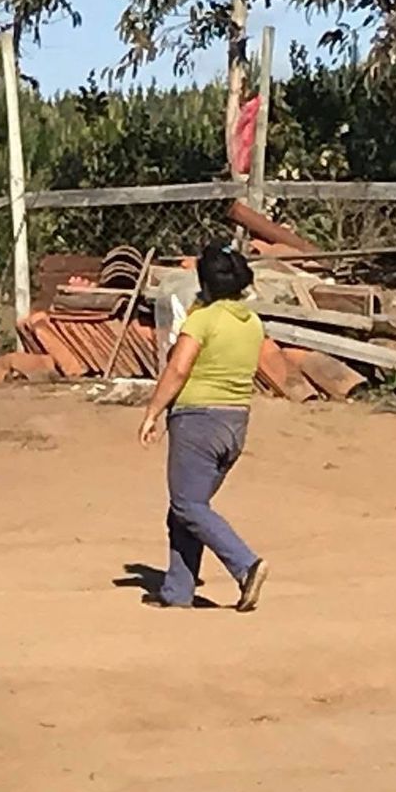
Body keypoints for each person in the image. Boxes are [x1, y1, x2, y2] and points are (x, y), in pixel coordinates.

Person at [136, 243, 269, 611]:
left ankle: (246, 565)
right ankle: (177, 592)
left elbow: (178, 367)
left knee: (188, 504)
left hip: (197, 421)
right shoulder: (252, 323)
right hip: (235, 423)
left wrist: (152, 412)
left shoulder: (201, 321)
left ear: (205, 284)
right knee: (185, 508)